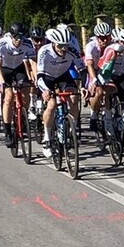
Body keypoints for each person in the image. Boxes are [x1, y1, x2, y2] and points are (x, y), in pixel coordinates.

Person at [36, 28, 80, 158]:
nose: (63, 49)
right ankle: (47, 139)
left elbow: (82, 69)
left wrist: (84, 87)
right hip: (47, 77)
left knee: (74, 97)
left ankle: (72, 130)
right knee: (51, 104)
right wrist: (45, 90)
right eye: (60, 46)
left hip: (63, 76)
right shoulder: (44, 51)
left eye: (66, 45)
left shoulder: (72, 51)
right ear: (53, 43)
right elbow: (39, 76)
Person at [0, 23, 36, 147]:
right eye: (16, 38)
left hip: (18, 68)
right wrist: (1, 82)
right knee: (8, 97)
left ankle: (23, 116)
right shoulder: (2, 43)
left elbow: (33, 63)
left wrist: (37, 78)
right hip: (5, 69)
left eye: (21, 38)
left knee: (26, 90)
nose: (19, 41)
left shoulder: (28, 43)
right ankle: (7, 132)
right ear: (11, 36)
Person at [84, 22, 114, 131]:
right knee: (98, 92)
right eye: (102, 38)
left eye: (107, 37)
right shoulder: (91, 46)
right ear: (97, 37)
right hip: (93, 70)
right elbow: (89, 64)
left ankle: (109, 115)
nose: (105, 40)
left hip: (106, 70)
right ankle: (93, 115)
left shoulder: (113, 44)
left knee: (111, 90)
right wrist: (94, 79)